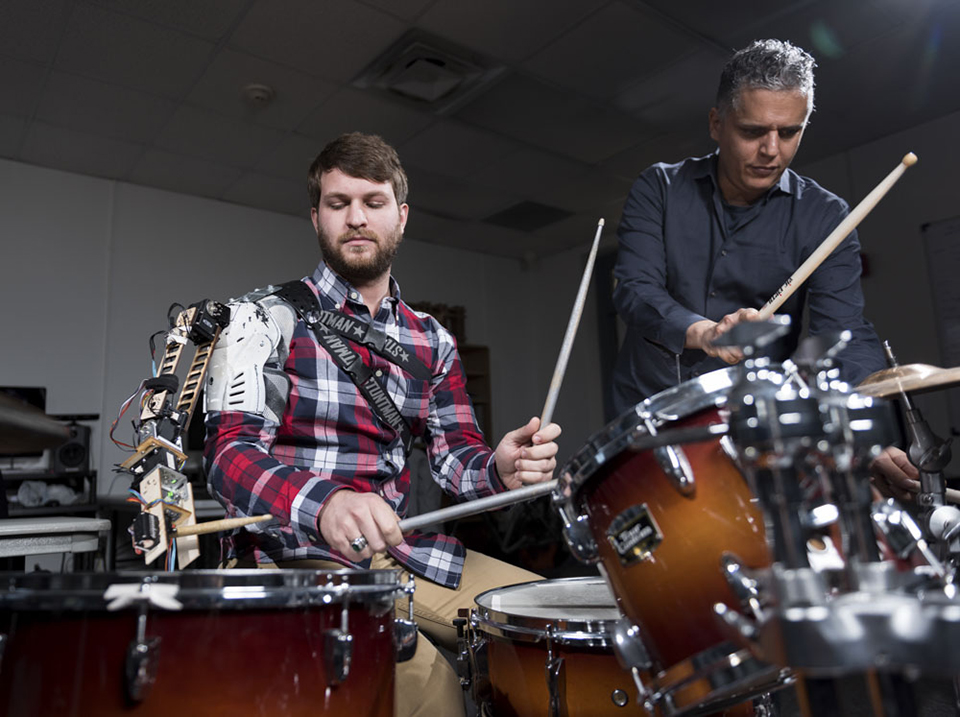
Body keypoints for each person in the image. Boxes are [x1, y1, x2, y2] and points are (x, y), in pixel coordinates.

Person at [203, 132, 561, 717]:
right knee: (428, 691)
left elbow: (457, 460)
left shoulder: (433, 341)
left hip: (401, 548)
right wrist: (325, 503)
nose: (356, 218)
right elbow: (229, 457)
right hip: (294, 554)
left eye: (373, 202)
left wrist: (500, 467)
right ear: (316, 216)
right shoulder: (264, 318)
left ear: (402, 216)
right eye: (338, 203)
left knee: (555, 621)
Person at [610, 38, 887, 416]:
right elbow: (635, 291)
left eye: (789, 132)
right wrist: (704, 332)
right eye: (753, 131)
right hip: (651, 410)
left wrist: (864, 413)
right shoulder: (660, 187)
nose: (772, 150)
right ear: (716, 124)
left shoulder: (826, 217)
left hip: (754, 418)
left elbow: (843, 333)